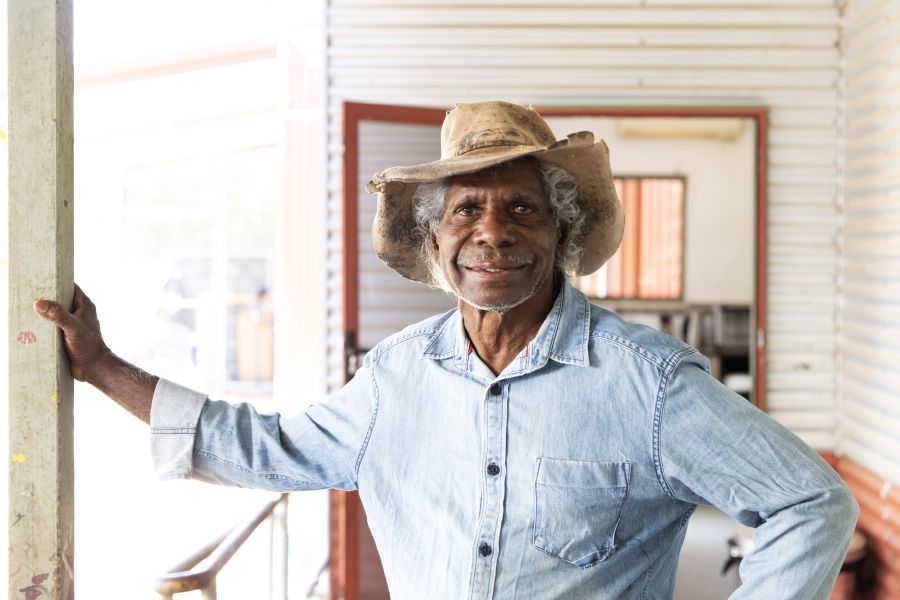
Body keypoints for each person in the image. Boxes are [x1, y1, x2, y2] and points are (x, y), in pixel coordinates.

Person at [35, 100, 858, 599]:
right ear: (434, 242)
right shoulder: (396, 378)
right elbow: (270, 450)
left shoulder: (647, 383)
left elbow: (812, 503)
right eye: (466, 210)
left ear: (562, 232)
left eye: (522, 210)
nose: (492, 232)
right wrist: (104, 367)